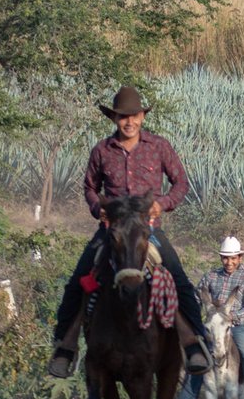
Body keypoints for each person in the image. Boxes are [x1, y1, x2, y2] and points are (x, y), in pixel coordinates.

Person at [46, 85, 211, 379]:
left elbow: (181, 183)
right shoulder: (101, 150)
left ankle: (195, 343)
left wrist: (162, 204)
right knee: (78, 282)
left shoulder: (159, 146)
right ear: (114, 119)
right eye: (123, 117)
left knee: (180, 281)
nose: (129, 122)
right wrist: (101, 210)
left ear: (142, 117)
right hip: (113, 230)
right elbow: (89, 188)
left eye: (134, 115)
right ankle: (65, 347)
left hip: (148, 230)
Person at [173, 236, 244, 399]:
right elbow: (196, 297)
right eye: (226, 258)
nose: (229, 262)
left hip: (236, 326)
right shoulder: (211, 276)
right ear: (221, 258)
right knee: (197, 361)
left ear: (240, 258)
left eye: (233, 258)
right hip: (211, 327)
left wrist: (230, 318)